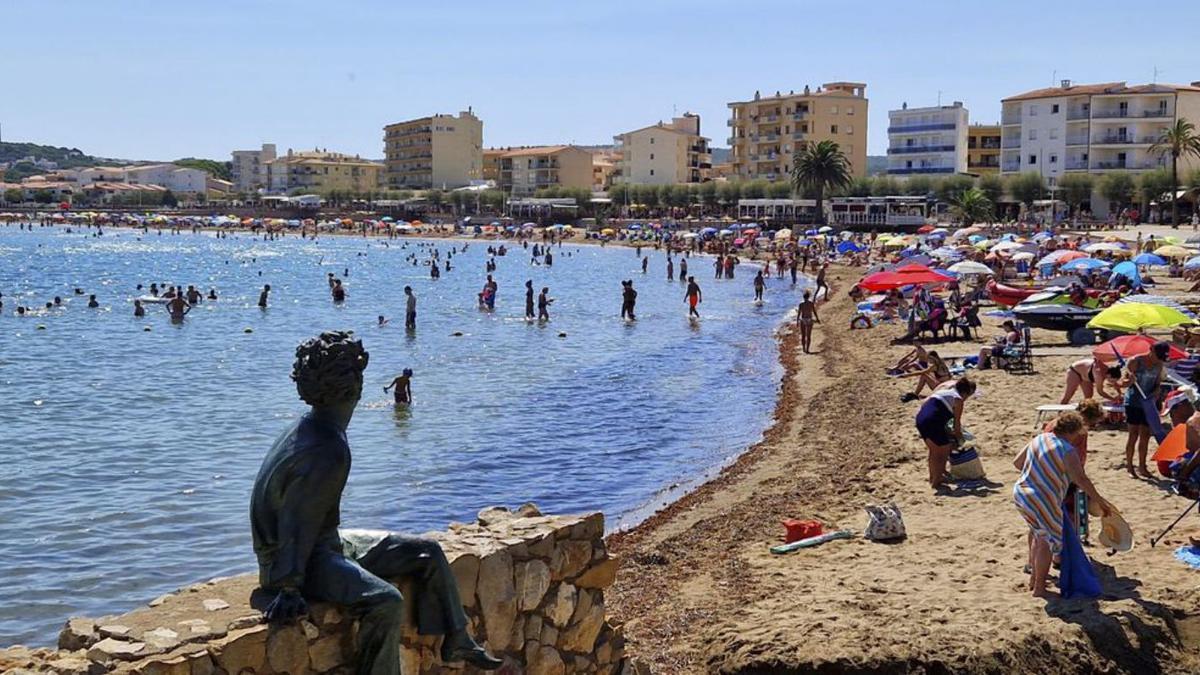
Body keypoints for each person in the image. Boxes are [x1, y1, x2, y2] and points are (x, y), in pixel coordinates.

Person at [251, 334, 499, 672]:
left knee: (427, 551)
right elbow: (296, 521)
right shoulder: (327, 449)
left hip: (327, 542)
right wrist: (289, 587)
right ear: (354, 386)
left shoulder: (312, 426)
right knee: (386, 601)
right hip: (298, 561)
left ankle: (457, 639)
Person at [1013, 412, 1114, 598]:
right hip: (1043, 498)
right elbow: (1081, 479)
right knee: (1047, 542)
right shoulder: (1066, 449)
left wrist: (1041, 469)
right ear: (1074, 431)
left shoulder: (1041, 438)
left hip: (1022, 493)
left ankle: (1034, 581)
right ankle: (1039, 589)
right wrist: (1100, 501)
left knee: (1038, 535)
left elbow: (1017, 463)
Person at [914, 377, 975, 490]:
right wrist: (961, 440)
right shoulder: (958, 400)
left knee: (934, 451)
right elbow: (957, 425)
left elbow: (925, 405)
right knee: (944, 451)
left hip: (921, 419)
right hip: (933, 421)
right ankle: (937, 481)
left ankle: (933, 477)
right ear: (965, 393)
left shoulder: (943, 392)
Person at [1122, 341, 1169, 477]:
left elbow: (1157, 384)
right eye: (1158, 356)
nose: (1159, 359)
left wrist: (1156, 392)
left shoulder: (1159, 364)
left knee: (1145, 436)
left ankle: (1143, 467)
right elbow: (1123, 383)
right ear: (1151, 350)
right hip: (1133, 402)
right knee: (1133, 435)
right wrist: (1129, 381)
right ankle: (1130, 467)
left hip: (1148, 403)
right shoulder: (1135, 361)